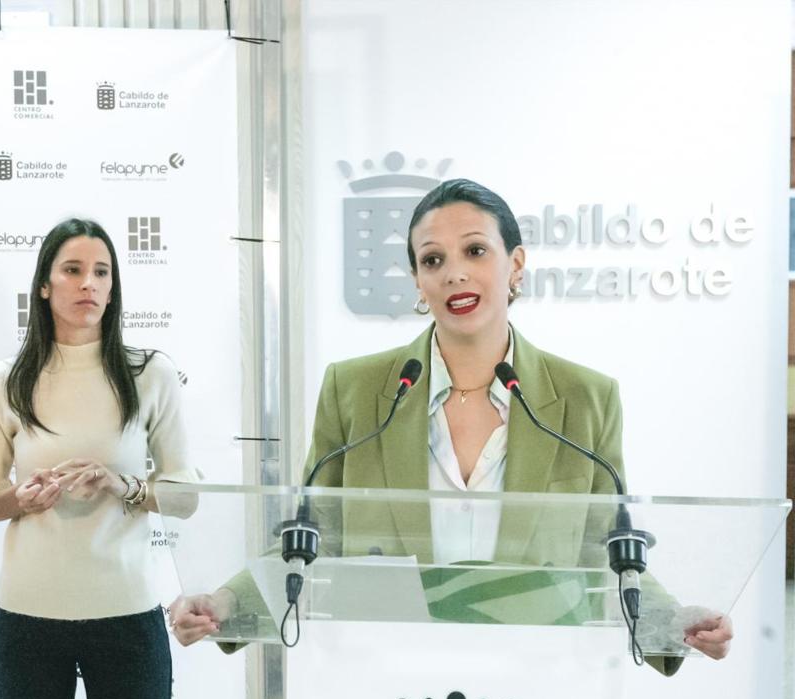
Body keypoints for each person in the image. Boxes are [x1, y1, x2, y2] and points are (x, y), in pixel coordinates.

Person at [169, 178, 732, 669]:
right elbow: (316, 535)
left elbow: (606, 548)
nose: (454, 274)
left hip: (537, 670)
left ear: (515, 263)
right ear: (417, 279)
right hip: (381, 666)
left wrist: (672, 620)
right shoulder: (356, 390)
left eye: (476, 251)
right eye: (433, 260)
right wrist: (227, 603)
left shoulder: (586, 399)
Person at [0, 218, 198, 699]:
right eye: (72, 270)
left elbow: (188, 494)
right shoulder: (5, 381)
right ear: (43, 285)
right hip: (27, 624)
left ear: (114, 288)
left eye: (101, 272)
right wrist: (22, 498)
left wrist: (127, 488)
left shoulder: (150, 373)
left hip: (127, 620)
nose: (88, 284)